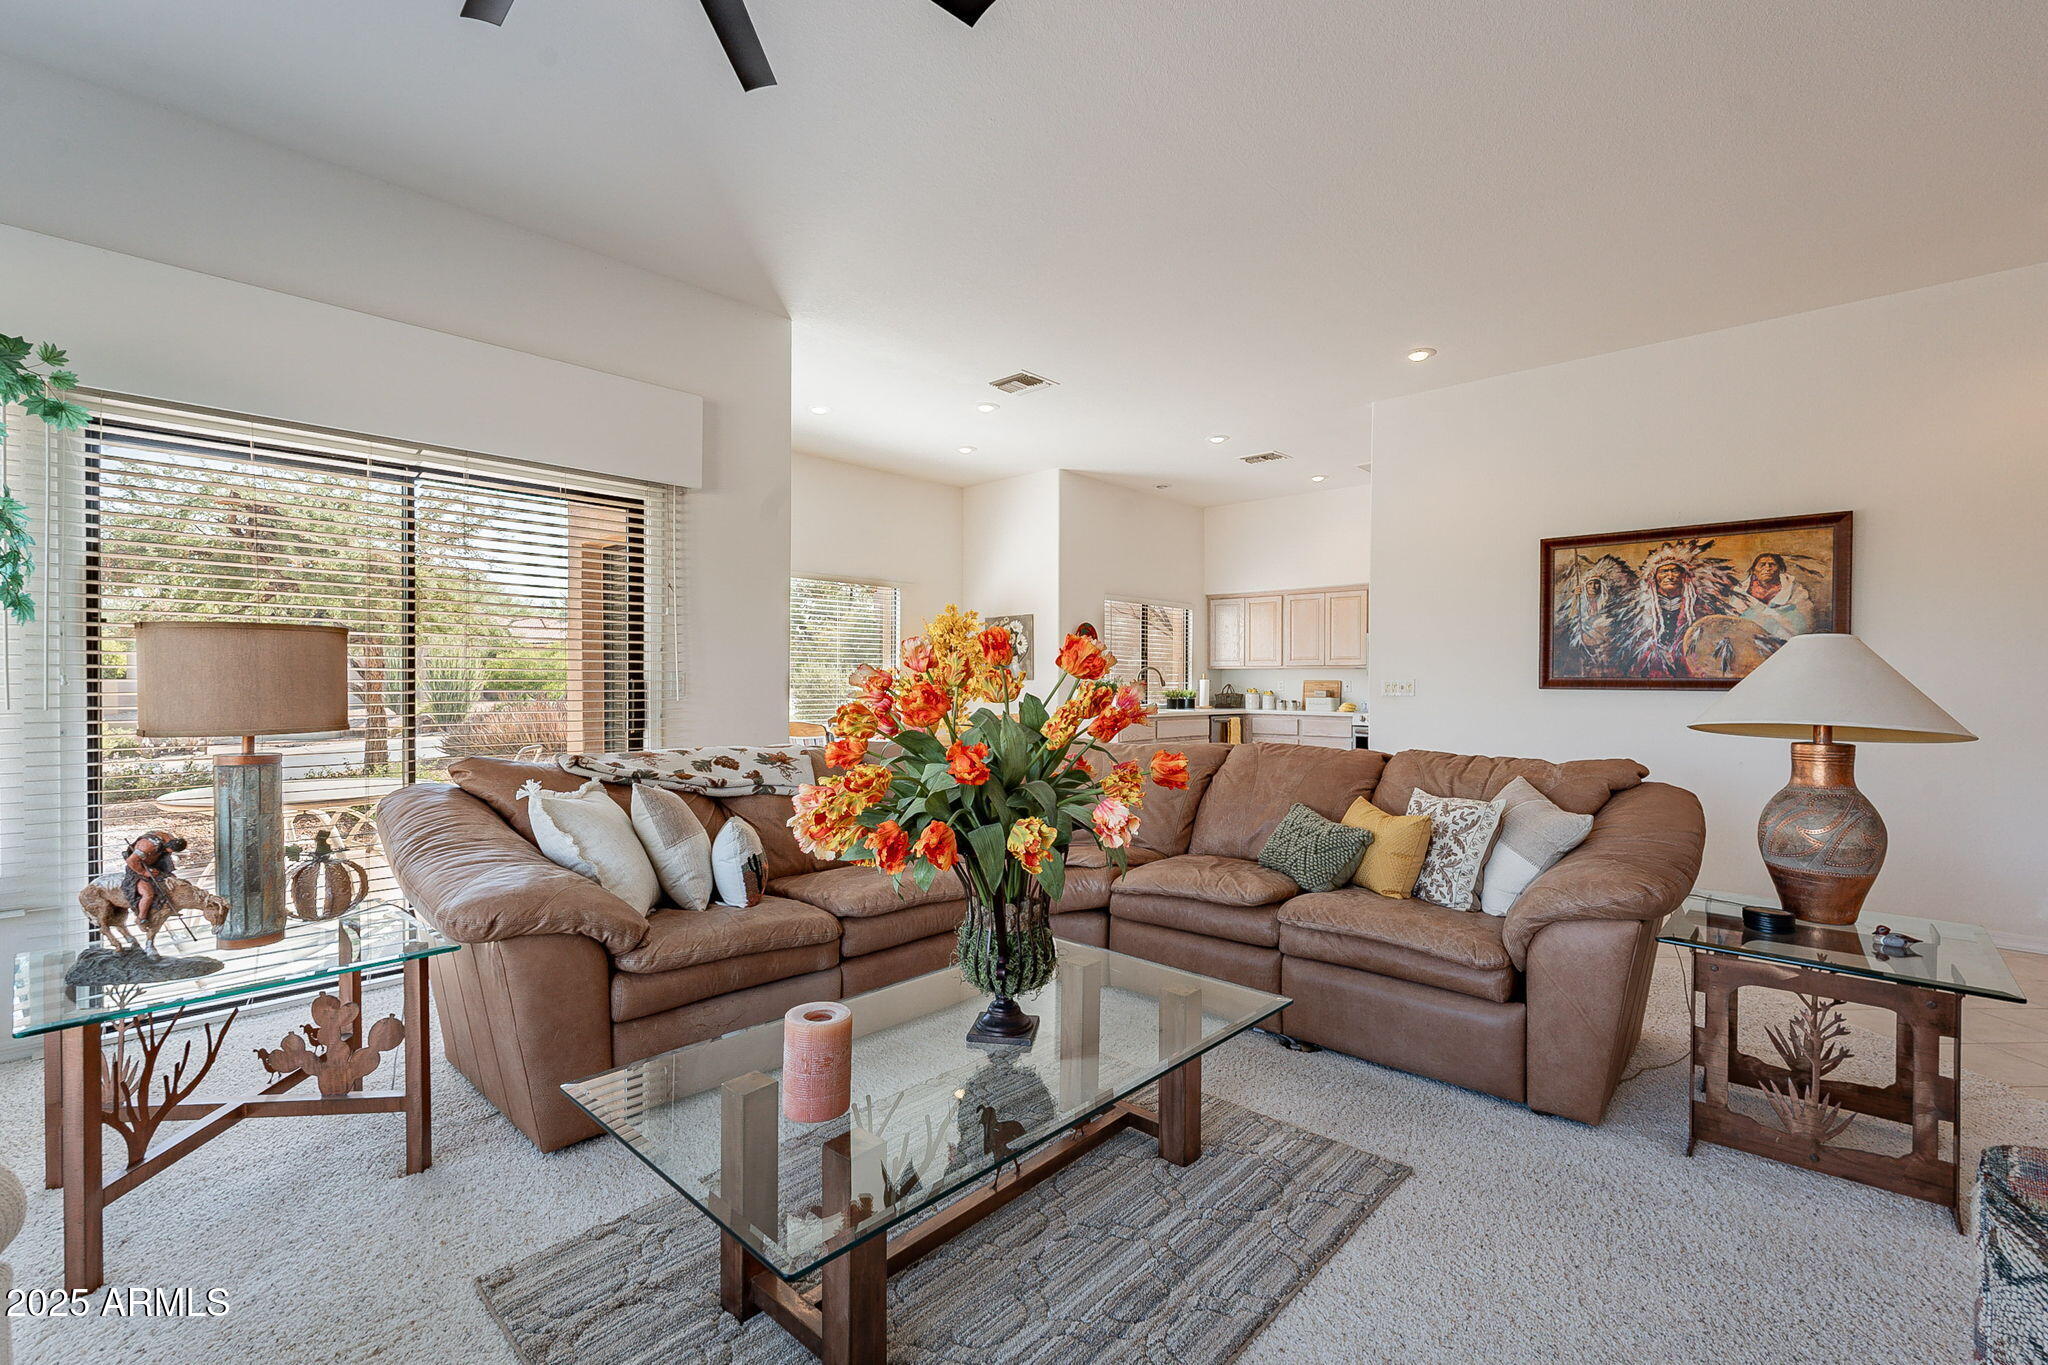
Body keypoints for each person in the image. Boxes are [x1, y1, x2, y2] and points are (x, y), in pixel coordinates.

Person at [121, 830, 188, 935]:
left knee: (172, 884)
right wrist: (143, 872)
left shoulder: (169, 839)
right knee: (148, 894)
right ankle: (141, 918)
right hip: (137, 869)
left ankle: (167, 908)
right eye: (170, 851)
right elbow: (131, 861)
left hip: (155, 867)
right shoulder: (147, 845)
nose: (170, 853)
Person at [1738, 552, 1815, 638]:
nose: (1767, 568)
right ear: (1754, 570)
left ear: (1780, 569)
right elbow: (1736, 616)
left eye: (1772, 565)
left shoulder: (1795, 590)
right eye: (1762, 565)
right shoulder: (1741, 591)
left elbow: (1803, 623)